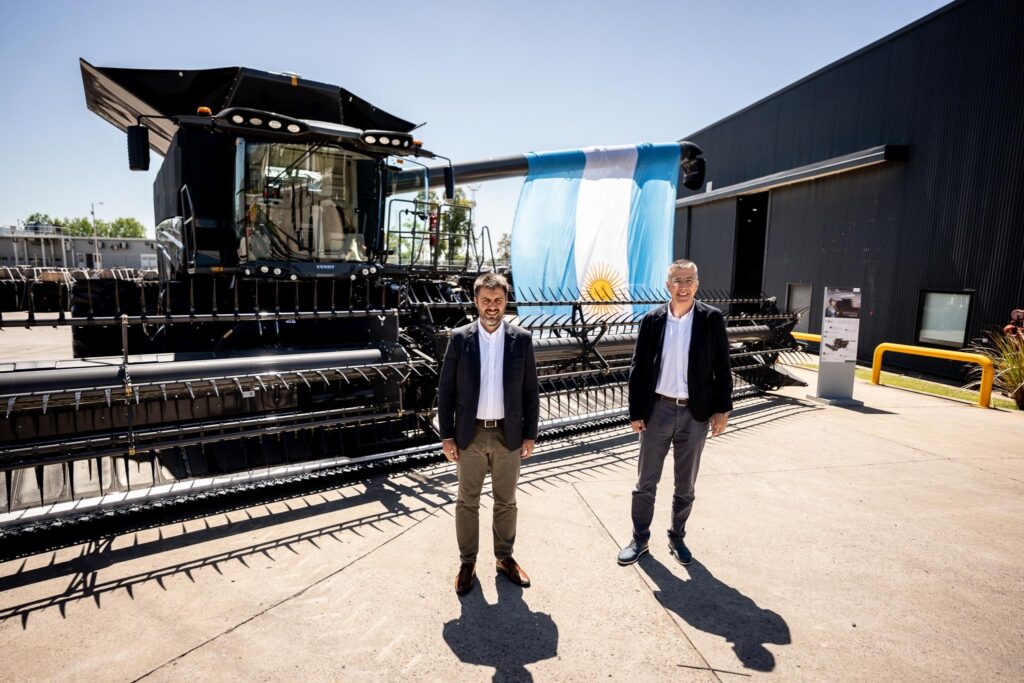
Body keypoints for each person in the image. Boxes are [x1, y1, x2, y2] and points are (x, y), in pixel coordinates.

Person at [617, 259, 732, 567]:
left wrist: (722, 409)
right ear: (668, 285)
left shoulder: (711, 319)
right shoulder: (652, 320)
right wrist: (636, 412)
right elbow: (638, 368)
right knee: (645, 482)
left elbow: (722, 366)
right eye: (677, 280)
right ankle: (639, 538)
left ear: (697, 284)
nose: (683, 286)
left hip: (696, 413)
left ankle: (677, 536)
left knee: (686, 484)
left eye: (689, 280)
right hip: (658, 410)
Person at [438, 272, 539, 595]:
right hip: (470, 435)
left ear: (506, 301)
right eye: (486, 300)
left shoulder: (521, 339)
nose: (492, 306)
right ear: (476, 301)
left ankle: (504, 558)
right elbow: (446, 391)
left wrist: (530, 435)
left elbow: (530, 391)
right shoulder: (460, 338)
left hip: (508, 435)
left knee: (506, 502)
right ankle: (467, 562)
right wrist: (447, 436)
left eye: (497, 300)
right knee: (466, 502)